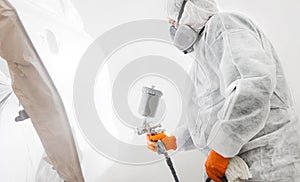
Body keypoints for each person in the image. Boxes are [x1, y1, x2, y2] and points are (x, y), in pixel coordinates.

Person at [146, 0, 300, 181]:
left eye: (173, 22)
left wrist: (220, 152)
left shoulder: (224, 26)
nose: (173, 30)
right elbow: (208, 122)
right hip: (235, 170)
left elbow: (252, 87)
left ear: (190, 11)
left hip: (267, 164)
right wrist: (174, 141)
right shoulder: (198, 66)